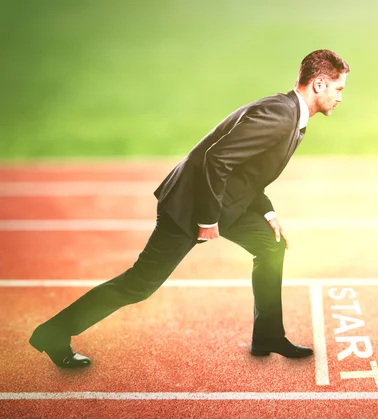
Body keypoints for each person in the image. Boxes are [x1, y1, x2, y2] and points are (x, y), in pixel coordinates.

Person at [29, 49, 350, 368]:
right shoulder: (279, 116)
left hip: (228, 202)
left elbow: (250, 171)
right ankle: (54, 333)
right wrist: (208, 217)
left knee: (270, 245)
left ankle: (267, 334)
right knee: (139, 284)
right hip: (191, 206)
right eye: (338, 89)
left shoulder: (291, 114)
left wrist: (267, 212)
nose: (340, 97)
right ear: (318, 84)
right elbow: (218, 158)